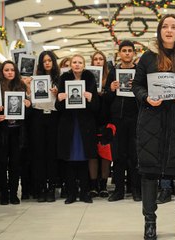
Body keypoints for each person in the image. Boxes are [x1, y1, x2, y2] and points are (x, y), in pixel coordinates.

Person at [132, 14, 175, 240]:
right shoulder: (148, 57)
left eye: (173, 27)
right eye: (165, 26)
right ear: (160, 30)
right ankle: (149, 223)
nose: (169, 30)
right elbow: (137, 86)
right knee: (150, 173)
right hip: (152, 122)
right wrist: (145, 98)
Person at [56, 54, 99, 204]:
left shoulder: (90, 78)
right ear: (70, 65)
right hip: (69, 124)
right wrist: (60, 99)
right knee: (69, 160)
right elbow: (58, 107)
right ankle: (71, 193)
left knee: (83, 159)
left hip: (85, 125)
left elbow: (96, 107)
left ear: (84, 64)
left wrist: (91, 98)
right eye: (74, 62)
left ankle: (85, 193)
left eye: (80, 62)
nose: (77, 65)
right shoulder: (64, 79)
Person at [104, 40, 140, 202]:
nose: (127, 53)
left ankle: (136, 190)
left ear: (134, 53)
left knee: (135, 155)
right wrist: (111, 89)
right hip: (117, 119)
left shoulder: (140, 72)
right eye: (124, 50)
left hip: (135, 118)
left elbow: (145, 96)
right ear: (119, 53)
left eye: (129, 50)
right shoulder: (113, 71)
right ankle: (118, 190)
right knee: (118, 155)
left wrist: (137, 88)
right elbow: (106, 97)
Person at [0, 60, 31, 205]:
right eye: (7, 70)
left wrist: (27, 104)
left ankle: (14, 193)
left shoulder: (20, 86)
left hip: (17, 132)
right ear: (2, 71)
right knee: (1, 163)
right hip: (2, 131)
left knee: (15, 164)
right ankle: (4, 193)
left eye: (12, 70)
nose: (9, 72)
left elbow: (27, 112)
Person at [29, 51, 60, 202]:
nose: (47, 63)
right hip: (38, 116)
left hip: (54, 117)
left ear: (54, 62)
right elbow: (30, 100)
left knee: (51, 154)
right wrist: (28, 89)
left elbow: (63, 101)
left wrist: (58, 92)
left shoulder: (59, 79)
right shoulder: (35, 79)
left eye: (49, 60)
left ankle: (51, 188)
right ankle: (40, 187)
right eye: (44, 61)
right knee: (39, 153)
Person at [90, 50, 111, 198]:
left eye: (100, 59)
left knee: (105, 154)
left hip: (106, 119)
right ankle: (93, 186)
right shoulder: (87, 78)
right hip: (91, 119)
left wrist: (107, 92)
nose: (98, 61)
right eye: (95, 59)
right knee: (92, 154)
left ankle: (103, 185)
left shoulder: (110, 77)